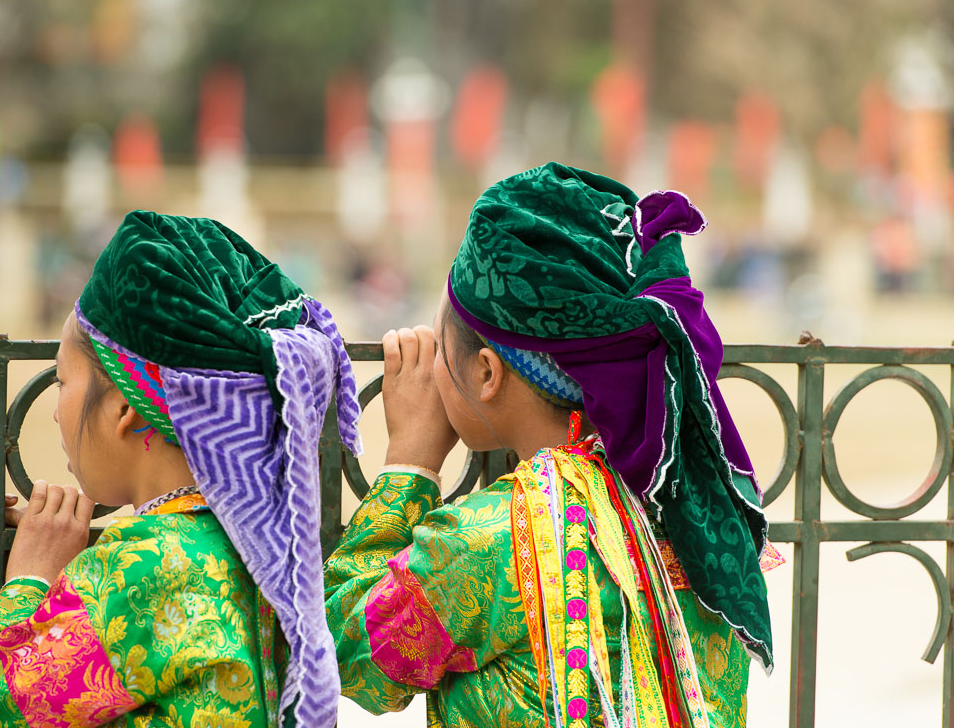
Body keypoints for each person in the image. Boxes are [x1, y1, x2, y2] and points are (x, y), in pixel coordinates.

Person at [324, 163, 783, 727]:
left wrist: (408, 469)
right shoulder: (703, 512)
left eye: (440, 348)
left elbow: (344, 652)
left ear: (487, 373)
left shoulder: (481, 542)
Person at [0, 211, 362, 727]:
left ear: (125, 409)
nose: (55, 409)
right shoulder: (270, 551)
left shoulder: (142, 567)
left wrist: (26, 583)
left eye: (62, 383)